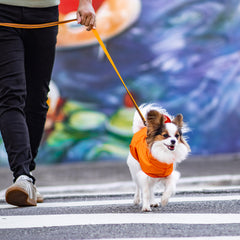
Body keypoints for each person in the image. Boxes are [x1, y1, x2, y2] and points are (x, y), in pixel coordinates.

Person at [0, 0, 96, 207]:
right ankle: (23, 176)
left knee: (37, 99)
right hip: (3, 12)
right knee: (11, 95)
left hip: (44, 14)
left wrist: (86, 3)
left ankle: (27, 175)